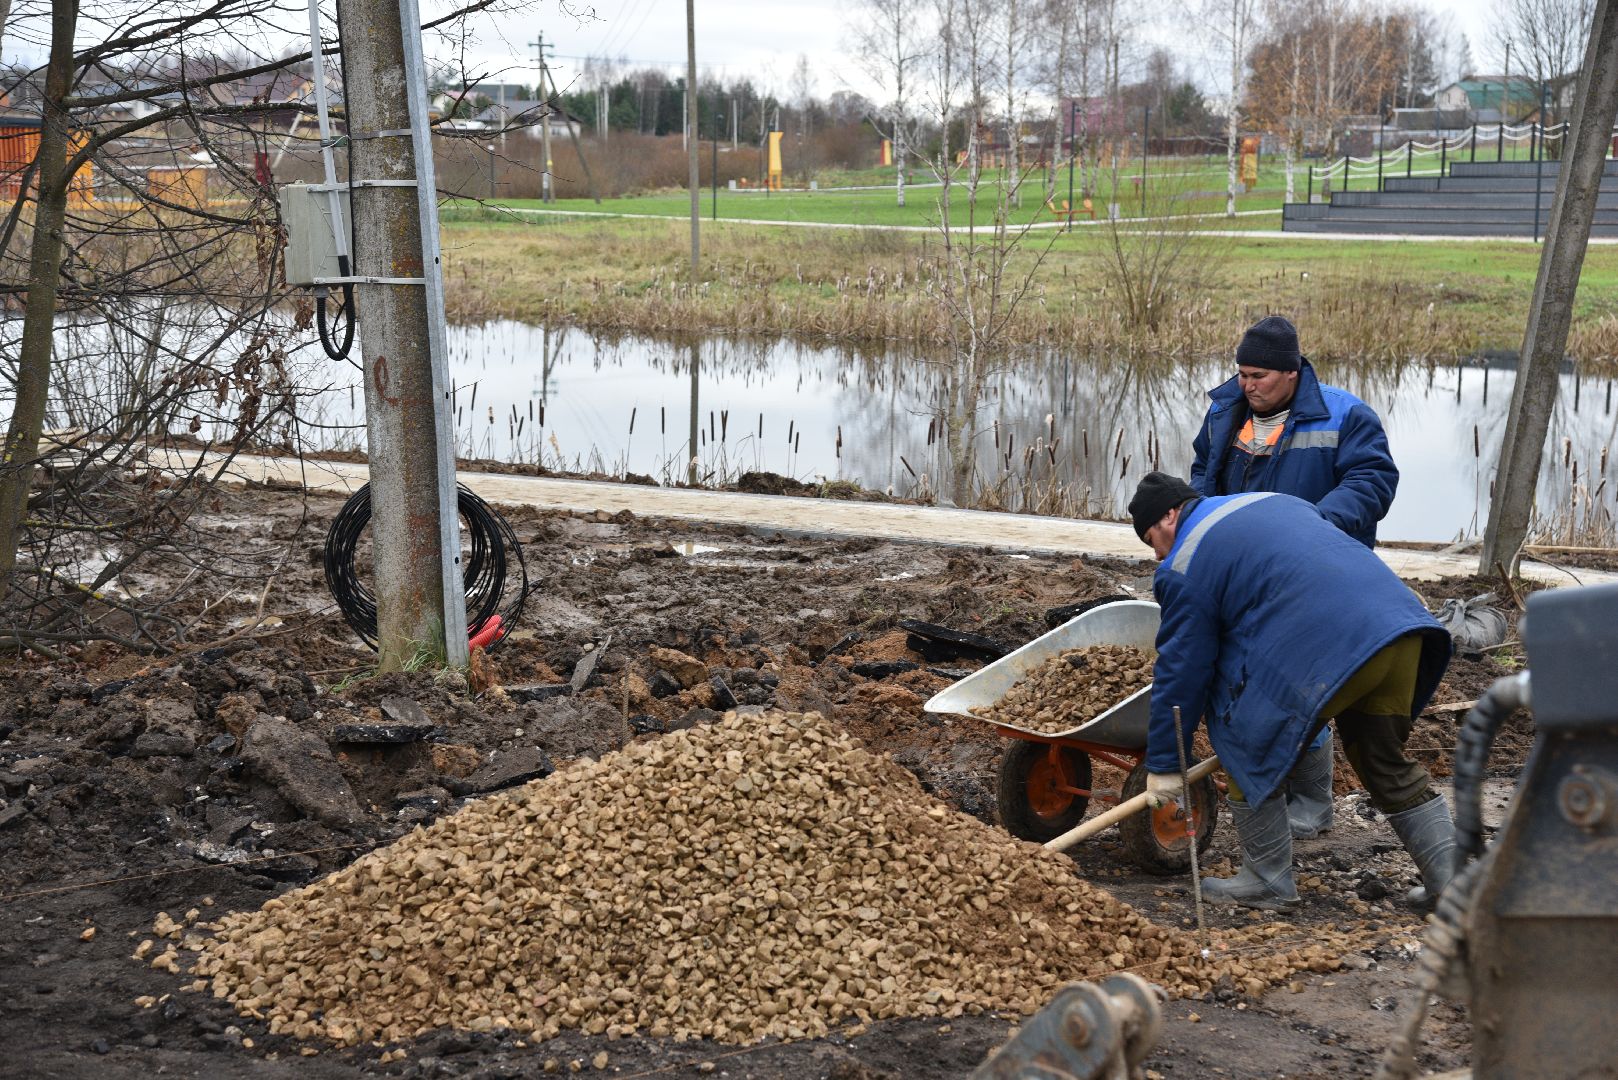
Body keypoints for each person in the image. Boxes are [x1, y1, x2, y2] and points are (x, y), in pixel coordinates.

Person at [1126, 473, 1456, 911]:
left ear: (1170, 514)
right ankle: (1454, 888)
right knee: (1383, 761)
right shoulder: (1273, 500)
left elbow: (1184, 667)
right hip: (1402, 632)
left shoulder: (1184, 562)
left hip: (1334, 648)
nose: (1157, 554)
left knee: (1244, 740)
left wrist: (1168, 763)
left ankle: (1267, 881)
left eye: (1153, 538)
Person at [1190, 315, 1399, 842]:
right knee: (1241, 675)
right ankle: (1270, 793)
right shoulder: (1222, 413)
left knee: (1298, 680)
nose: (1247, 384)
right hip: (1240, 569)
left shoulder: (1345, 415)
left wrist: (1318, 525)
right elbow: (1201, 471)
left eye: (1258, 375)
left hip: (1313, 575)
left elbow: (1373, 480)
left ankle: (1312, 801)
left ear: (1290, 373)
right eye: (1241, 373)